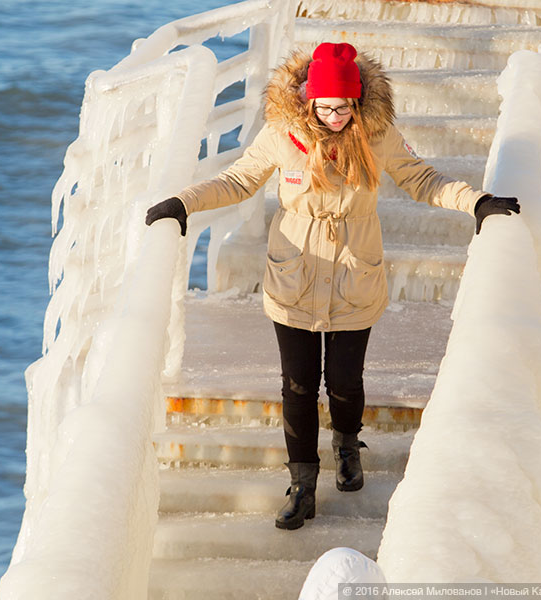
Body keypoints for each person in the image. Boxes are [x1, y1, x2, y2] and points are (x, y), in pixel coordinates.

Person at [145, 42, 519, 530]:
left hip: (353, 274)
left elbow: (422, 178)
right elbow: (238, 180)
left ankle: (347, 444)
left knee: (344, 382)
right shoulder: (283, 133)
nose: (337, 116)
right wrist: (184, 203)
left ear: (358, 100)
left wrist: (477, 202)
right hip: (294, 276)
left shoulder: (377, 134)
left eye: (345, 107)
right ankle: (302, 486)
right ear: (309, 101)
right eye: (327, 107)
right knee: (297, 387)